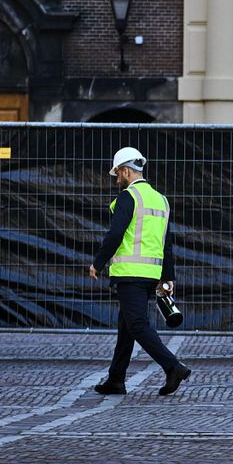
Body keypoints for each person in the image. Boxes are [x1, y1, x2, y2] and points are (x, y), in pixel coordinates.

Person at [88, 146, 191, 396]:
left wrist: (98, 263)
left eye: (117, 174)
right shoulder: (161, 199)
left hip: (129, 273)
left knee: (137, 324)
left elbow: (115, 234)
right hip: (151, 274)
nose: (116, 179)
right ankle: (116, 379)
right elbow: (166, 241)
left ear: (125, 171)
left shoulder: (127, 198)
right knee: (126, 326)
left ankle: (173, 367)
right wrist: (167, 278)